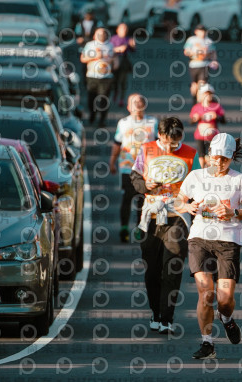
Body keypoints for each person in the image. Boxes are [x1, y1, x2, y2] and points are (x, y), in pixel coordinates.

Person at [176, 133, 242, 360]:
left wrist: (234, 212)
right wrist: (187, 207)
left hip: (228, 240)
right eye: (216, 157)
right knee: (205, 293)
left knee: (225, 299)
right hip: (199, 238)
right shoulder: (196, 176)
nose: (219, 163)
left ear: (231, 158)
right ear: (210, 154)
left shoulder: (238, 180)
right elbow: (178, 200)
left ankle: (226, 318)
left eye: (225, 159)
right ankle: (207, 342)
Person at [130, 117, 199, 334]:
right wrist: (145, 185)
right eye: (168, 142)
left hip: (178, 216)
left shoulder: (191, 154)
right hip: (151, 216)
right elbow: (135, 176)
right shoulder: (147, 149)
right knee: (152, 270)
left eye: (175, 142)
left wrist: (194, 204)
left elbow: (200, 183)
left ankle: (167, 318)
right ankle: (156, 312)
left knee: (172, 267)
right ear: (159, 135)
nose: (171, 147)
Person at [109, 93, 159, 243]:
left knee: (142, 199)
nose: (137, 104)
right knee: (127, 197)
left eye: (140, 101)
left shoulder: (153, 122)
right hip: (127, 167)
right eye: (134, 102)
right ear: (128, 107)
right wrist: (112, 161)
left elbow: (159, 144)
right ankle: (124, 228)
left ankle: (140, 228)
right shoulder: (123, 123)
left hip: (147, 168)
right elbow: (117, 143)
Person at [80, 27, 115, 127]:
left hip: (106, 77)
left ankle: (102, 120)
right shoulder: (90, 45)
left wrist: (110, 59)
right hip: (92, 76)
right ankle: (92, 114)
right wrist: (95, 56)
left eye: (103, 34)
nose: (101, 35)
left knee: (104, 99)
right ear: (95, 35)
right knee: (92, 98)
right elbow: (83, 58)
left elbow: (113, 59)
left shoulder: (110, 45)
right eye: (99, 34)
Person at [190, 83, 225, 168]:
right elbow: (191, 121)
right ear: (201, 95)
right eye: (205, 93)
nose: (208, 96)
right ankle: (201, 171)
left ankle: (212, 172)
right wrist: (195, 118)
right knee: (201, 156)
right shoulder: (197, 107)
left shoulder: (216, 106)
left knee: (212, 156)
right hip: (200, 136)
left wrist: (217, 117)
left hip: (213, 136)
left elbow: (223, 120)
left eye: (209, 94)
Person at [183, 24, 218, 105]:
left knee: (202, 84)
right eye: (200, 31)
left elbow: (213, 52)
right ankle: (194, 100)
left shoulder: (208, 41)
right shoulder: (191, 40)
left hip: (204, 65)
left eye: (203, 31)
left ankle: (199, 103)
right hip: (194, 65)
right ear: (196, 31)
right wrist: (195, 53)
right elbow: (186, 51)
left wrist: (214, 61)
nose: (202, 33)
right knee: (194, 85)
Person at [74, 8, 103, 85]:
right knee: (83, 64)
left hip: (94, 45)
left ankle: (93, 80)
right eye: (87, 14)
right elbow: (77, 33)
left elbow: (101, 31)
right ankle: (85, 81)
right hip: (83, 45)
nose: (88, 16)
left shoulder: (97, 22)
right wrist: (79, 39)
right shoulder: (80, 23)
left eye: (90, 14)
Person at [110, 23, 136, 108]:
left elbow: (132, 50)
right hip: (114, 60)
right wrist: (118, 49)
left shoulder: (128, 39)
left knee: (123, 81)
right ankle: (115, 93)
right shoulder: (113, 39)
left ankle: (121, 99)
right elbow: (109, 49)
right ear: (117, 30)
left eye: (125, 28)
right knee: (114, 80)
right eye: (122, 28)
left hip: (124, 61)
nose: (124, 30)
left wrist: (133, 46)